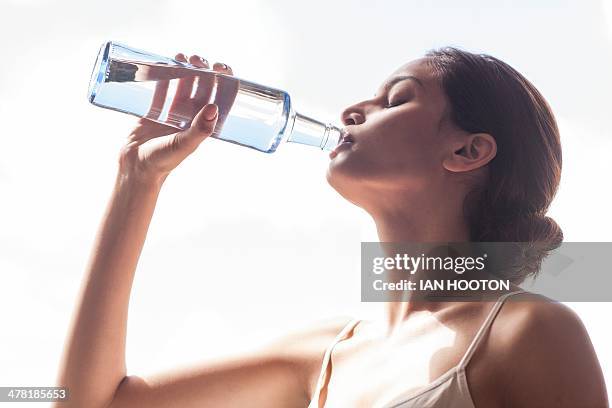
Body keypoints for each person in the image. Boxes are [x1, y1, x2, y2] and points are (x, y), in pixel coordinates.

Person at [54, 48, 608, 407]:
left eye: (396, 99)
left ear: (467, 151)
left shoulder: (525, 333)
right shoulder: (321, 355)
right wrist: (137, 178)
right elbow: (88, 403)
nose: (351, 109)